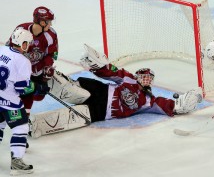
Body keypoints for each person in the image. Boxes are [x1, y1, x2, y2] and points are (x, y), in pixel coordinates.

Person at [29, 44, 202, 138]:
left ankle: (36, 126)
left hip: (100, 112)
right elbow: (109, 72)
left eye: (149, 77)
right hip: (98, 92)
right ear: (138, 75)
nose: (146, 79)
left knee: (74, 117)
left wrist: (189, 100)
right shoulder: (128, 78)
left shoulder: (149, 100)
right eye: (144, 76)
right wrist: (97, 65)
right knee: (74, 91)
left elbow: (171, 106)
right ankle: (40, 76)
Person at [6, 6, 58, 117]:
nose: (51, 25)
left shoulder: (51, 34)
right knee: (23, 91)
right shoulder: (21, 31)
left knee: (39, 96)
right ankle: (21, 117)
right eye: (49, 22)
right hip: (20, 71)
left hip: (38, 70)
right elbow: (9, 50)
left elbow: (52, 54)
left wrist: (47, 68)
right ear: (42, 22)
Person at [0, 29, 34, 175]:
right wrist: (36, 88)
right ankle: (17, 162)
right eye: (28, 43)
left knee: (0, 125)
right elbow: (21, 88)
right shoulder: (23, 61)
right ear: (23, 43)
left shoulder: (1, 50)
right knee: (21, 128)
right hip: (10, 102)